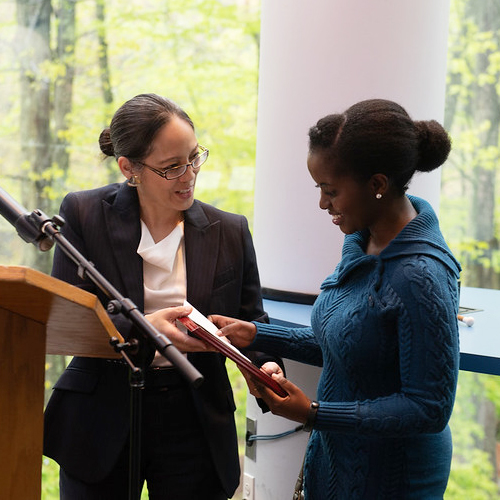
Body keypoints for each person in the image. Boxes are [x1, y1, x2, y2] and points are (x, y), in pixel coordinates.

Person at [211, 99, 462, 499]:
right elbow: (350, 343)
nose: (323, 204)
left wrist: (313, 413)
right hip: (337, 459)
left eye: (331, 191)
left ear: (377, 185)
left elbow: (428, 408)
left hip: (392, 477)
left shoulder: (421, 278)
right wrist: (257, 334)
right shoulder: (361, 244)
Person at [43, 93, 272, 500]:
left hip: (194, 414)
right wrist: (147, 329)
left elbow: (251, 320)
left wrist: (265, 366)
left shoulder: (230, 230)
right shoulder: (83, 213)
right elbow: (68, 321)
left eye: (194, 158)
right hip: (101, 412)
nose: (188, 175)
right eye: (171, 167)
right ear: (129, 168)